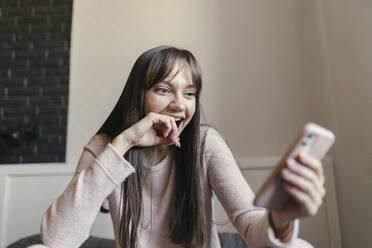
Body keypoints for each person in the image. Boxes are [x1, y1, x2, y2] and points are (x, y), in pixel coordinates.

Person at [40, 46, 325, 248]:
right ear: (138, 96)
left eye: (189, 93)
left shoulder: (205, 142)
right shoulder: (106, 146)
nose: (179, 105)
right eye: (164, 90)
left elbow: (249, 222)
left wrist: (281, 219)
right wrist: (124, 142)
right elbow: (56, 240)